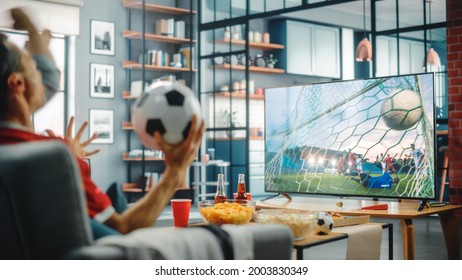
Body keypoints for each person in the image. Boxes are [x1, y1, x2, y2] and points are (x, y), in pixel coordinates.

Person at [0, 8, 204, 237]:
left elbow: (49, 77)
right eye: (33, 70)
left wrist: (33, 34)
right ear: (17, 84)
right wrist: (176, 171)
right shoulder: (54, 157)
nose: (43, 77)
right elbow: (124, 227)